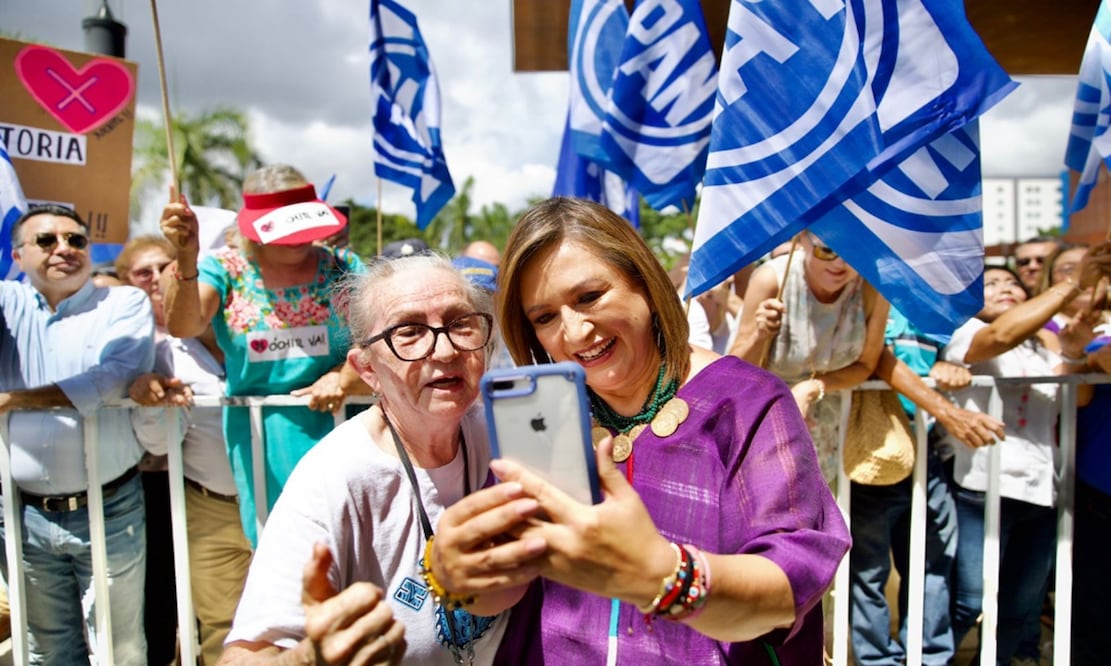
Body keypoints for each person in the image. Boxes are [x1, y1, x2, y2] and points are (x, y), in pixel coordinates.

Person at [430, 197, 850, 663]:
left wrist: (665, 577)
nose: (574, 331)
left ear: (645, 285)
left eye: (589, 296)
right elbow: (506, 586)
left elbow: (789, 585)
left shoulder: (747, 401)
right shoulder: (545, 421)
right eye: (545, 317)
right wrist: (459, 575)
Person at [220, 254, 507, 665]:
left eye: (460, 322)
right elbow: (244, 656)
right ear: (366, 369)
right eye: (409, 332)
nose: (444, 349)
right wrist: (304, 660)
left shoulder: (503, 433)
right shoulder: (332, 477)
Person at [160, 164, 368, 545]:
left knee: (357, 542)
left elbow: (381, 335)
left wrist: (342, 376)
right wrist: (185, 258)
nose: (298, 241)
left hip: (347, 423)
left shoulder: (343, 266)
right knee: (286, 548)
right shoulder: (223, 269)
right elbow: (185, 325)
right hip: (263, 435)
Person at [0, 204, 155, 664]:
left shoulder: (123, 302)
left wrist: (13, 400)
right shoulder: (6, 304)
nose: (64, 249)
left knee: (119, 648)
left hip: (109, 507)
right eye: (46, 241)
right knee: (45, 649)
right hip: (23, 513)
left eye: (76, 240)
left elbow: (115, 377)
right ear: (18, 254)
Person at [940, 248, 1111, 664]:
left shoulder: (1041, 347)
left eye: (1012, 283)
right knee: (970, 600)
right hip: (984, 489)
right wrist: (1073, 283)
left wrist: (1071, 352)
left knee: (1018, 608)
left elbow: (1078, 397)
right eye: (991, 284)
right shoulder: (966, 332)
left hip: (1041, 491)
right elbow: (1000, 337)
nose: (1006, 288)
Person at [848, 308, 1004, 666]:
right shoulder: (864, 299)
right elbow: (870, 359)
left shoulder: (931, 306)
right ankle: (877, 661)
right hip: (875, 449)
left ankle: (930, 657)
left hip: (927, 449)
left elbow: (958, 356)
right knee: (869, 570)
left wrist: (943, 367)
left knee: (932, 566)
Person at [129, 258, 252, 666]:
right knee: (222, 625)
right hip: (210, 507)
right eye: (176, 294)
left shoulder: (261, 332)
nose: (189, 302)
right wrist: (153, 403)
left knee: (299, 614)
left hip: (282, 500)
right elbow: (158, 443)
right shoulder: (162, 352)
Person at [730, 231, 890, 483]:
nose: (840, 263)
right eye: (826, 250)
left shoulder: (872, 287)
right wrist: (760, 336)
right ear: (801, 240)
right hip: (764, 434)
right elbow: (733, 372)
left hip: (829, 440)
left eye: (854, 252)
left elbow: (866, 364)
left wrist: (811, 387)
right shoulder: (772, 279)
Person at [115, 235, 181, 665]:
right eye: (144, 272)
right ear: (126, 281)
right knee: (155, 596)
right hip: (143, 483)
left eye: (164, 267)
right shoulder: (120, 335)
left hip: (197, 483)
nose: (155, 279)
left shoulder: (202, 325)